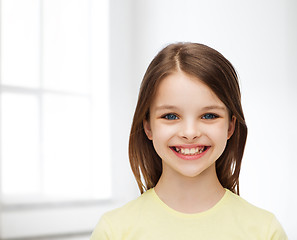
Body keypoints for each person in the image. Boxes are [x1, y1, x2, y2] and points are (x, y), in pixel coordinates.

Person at [90, 42, 287, 239]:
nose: (190, 133)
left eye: (209, 116)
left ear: (230, 126)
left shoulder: (265, 231)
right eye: (170, 116)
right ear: (148, 126)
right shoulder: (114, 230)